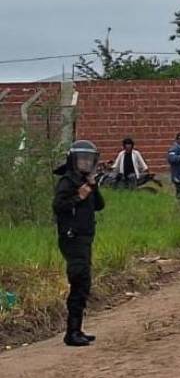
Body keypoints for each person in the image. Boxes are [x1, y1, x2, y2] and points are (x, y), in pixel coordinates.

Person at [53, 140, 104, 347]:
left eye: (88, 159)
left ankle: (78, 328)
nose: (85, 163)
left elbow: (99, 205)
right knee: (78, 279)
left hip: (85, 237)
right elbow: (59, 205)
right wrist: (78, 196)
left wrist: (92, 186)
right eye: (82, 159)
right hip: (72, 237)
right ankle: (71, 332)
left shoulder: (85, 181)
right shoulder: (67, 181)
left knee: (84, 282)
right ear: (73, 160)